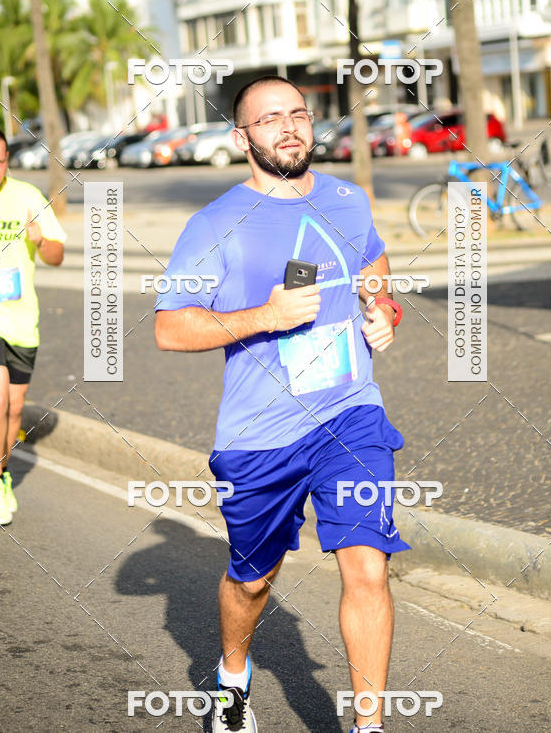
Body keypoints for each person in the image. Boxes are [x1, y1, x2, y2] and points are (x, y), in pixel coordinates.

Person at [155, 76, 409, 733]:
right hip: (261, 433)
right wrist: (264, 314)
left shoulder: (348, 199)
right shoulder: (215, 223)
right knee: (252, 581)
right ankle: (232, 678)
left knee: (367, 567)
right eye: (270, 119)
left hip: (351, 414)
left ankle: (369, 725)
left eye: (298, 113)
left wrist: (381, 309)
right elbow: (170, 327)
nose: (290, 127)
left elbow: (373, 265)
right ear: (242, 137)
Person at [0, 125, 65, 526]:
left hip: (22, 320)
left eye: (0, 162)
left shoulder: (29, 197)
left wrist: (39, 240)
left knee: (13, 410)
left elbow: (56, 257)